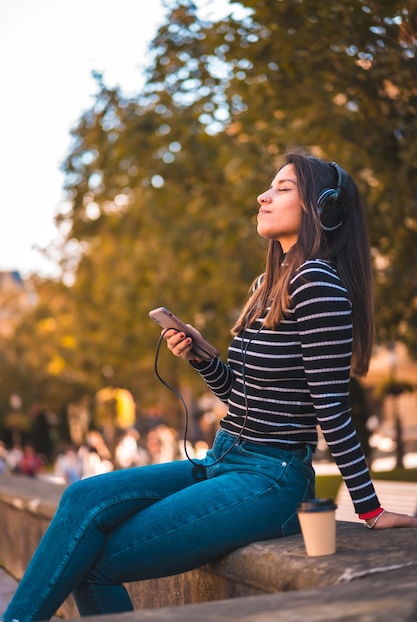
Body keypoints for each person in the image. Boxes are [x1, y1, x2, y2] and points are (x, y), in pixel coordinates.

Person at [2, 149, 417, 622]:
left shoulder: (318, 282)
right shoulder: (268, 284)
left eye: (283, 188)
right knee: (81, 497)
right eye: (270, 185)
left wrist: (370, 509)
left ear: (323, 209)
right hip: (222, 458)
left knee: (94, 562)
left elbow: (330, 407)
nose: (264, 195)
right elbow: (244, 396)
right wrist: (204, 358)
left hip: (270, 477)